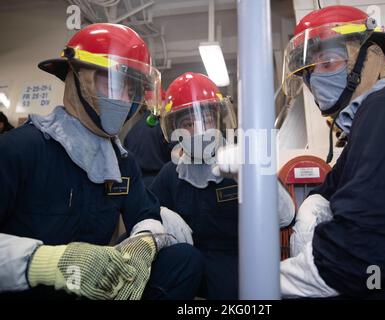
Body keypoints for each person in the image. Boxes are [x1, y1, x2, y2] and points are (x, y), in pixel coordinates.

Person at [0, 23, 203, 300]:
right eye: (111, 82)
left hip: (97, 289)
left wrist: (143, 243)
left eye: (131, 89)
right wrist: (47, 262)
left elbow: (146, 214)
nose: (123, 99)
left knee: (184, 261)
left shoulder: (121, 163)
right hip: (30, 287)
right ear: (74, 77)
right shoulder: (19, 149)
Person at [276, 5, 385, 299]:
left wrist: (261, 283)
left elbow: (357, 261)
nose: (314, 79)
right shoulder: (370, 120)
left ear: (375, 58)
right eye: (307, 71)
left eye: (328, 61)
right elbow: (330, 191)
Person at [151, 72, 295, 299]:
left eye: (206, 120)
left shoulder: (242, 160)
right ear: (176, 130)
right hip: (191, 261)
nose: (199, 130)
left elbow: (285, 217)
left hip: (237, 260)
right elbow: (145, 211)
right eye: (188, 123)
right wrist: (161, 214)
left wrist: (253, 175)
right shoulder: (172, 173)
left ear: (217, 120)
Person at [124, 90, 175, 188]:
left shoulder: (132, 132)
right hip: (161, 183)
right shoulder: (164, 127)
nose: (168, 109)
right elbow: (177, 154)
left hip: (137, 184)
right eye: (166, 104)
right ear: (161, 103)